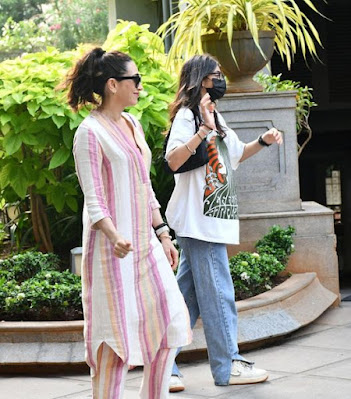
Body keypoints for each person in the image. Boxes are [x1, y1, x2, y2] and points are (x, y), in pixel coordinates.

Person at [65, 47, 192, 399]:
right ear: (111, 85)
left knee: (168, 327)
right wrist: (114, 235)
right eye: (134, 80)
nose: (140, 86)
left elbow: (143, 185)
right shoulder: (89, 133)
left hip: (145, 246)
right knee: (114, 345)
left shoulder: (133, 124)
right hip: (111, 253)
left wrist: (163, 233)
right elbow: (94, 200)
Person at [164, 54, 283, 391]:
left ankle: (164, 364)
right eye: (215, 74)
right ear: (201, 79)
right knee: (219, 295)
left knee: (185, 299)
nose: (220, 79)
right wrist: (202, 127)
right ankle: (228, 363)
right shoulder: (188, 117)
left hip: (214, 218)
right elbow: (174, 160)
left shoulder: (216, 114)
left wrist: (263, 141)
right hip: (200, 221)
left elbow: (234, 155)